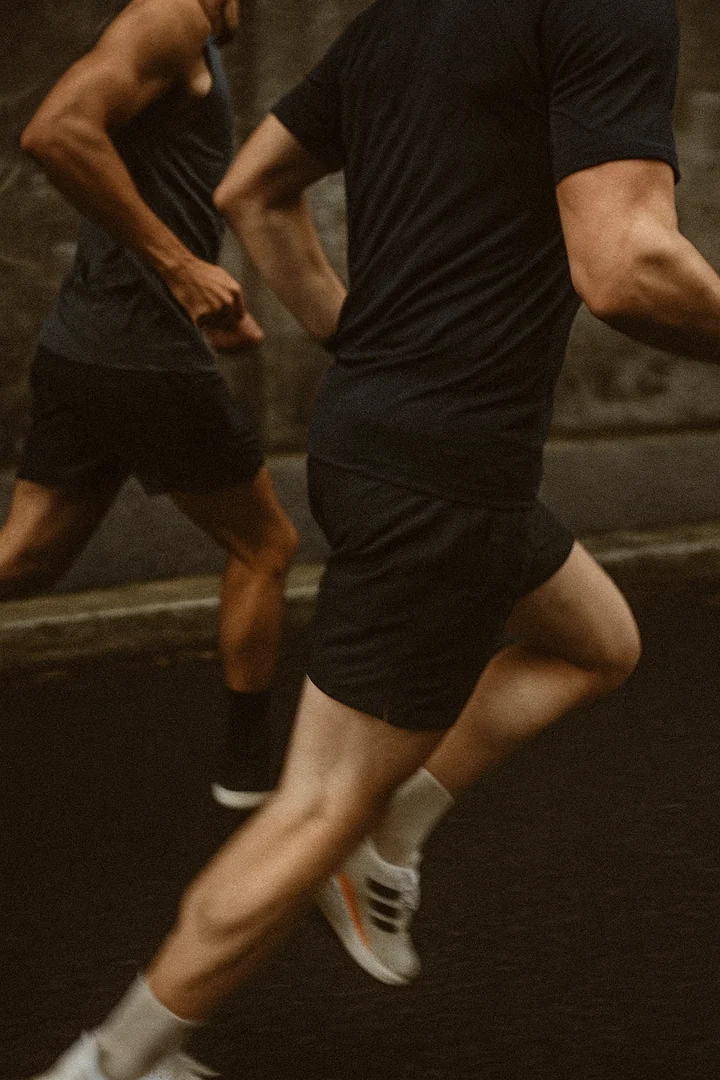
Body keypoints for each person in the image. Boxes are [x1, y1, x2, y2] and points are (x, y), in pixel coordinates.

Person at [30, 0, 720, 1077]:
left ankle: (385, 835)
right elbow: (627, 264)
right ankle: (117, 1062)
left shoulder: (401, 18)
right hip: (448, 476)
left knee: (597, 641)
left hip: (376, 440)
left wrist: (370, 351)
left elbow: (251, 192)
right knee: (312, 804)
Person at [9, 0, 298, 809]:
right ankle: (247, 776)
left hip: (85, 343)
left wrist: (209, 296)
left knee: (25, 559)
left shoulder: (192, 31)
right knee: (266, 546)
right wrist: (179, 271)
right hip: (142, 357)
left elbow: (143, 174)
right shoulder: (169, 16)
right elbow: (55, 131)